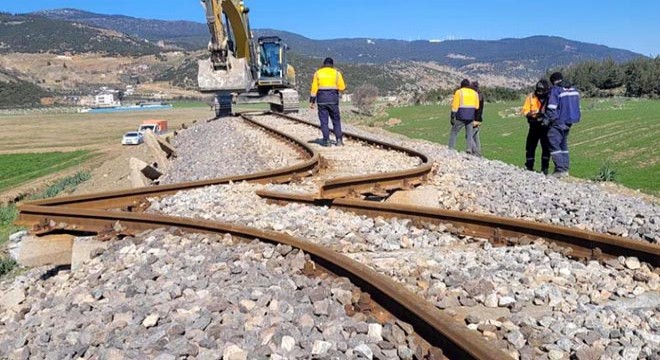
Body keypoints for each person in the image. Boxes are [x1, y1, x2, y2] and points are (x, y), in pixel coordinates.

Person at [546, 72, 581, 177]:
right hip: (570, 121)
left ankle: (560, 170)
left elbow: (552, 107)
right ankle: (565, 169)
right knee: (563, 145)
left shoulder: (556, 90)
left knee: (553, 142)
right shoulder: (574, 89)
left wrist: (549, 120)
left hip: (559, 121)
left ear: (553, 81)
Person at [309, 57, 347, 147]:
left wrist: (312, 101)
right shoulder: (337, 73)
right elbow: (342, 87)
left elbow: (314, 89)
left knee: (324, 121)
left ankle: (327, 141)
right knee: (336, 120)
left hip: (321, 101)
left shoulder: (317, 73)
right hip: (333, 101)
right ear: (332, 65)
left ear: (324, 64)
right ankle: (339, 140)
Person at [522, 79, 551, 174]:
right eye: (538, 90)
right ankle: (529, 166)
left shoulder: (550, 97)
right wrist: (530, 114)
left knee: (546, 147)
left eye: (542, 91)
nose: (540, 92)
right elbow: (525, 110)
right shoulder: (531, 96)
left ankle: (545, 168)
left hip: (545, 126)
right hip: (533, 124)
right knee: (530, 146)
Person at [448, 79, 480, 154]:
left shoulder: (459, 92)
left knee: (454, 132)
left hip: (461, 116)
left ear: (461, 85)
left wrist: (452, 117)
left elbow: (455, 106)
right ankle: (469, 149)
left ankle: (450, 148)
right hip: (471, 116)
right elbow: (477, 106)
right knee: (469, 133)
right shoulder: (475, 93)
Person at [471, 81, 484, 157]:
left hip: (474, 119)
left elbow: (475, 109)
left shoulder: (476, 96)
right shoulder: (481, 95)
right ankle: (478, 152)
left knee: (469, 136)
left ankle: (475, 153)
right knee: (476, 137)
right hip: (479, 119)